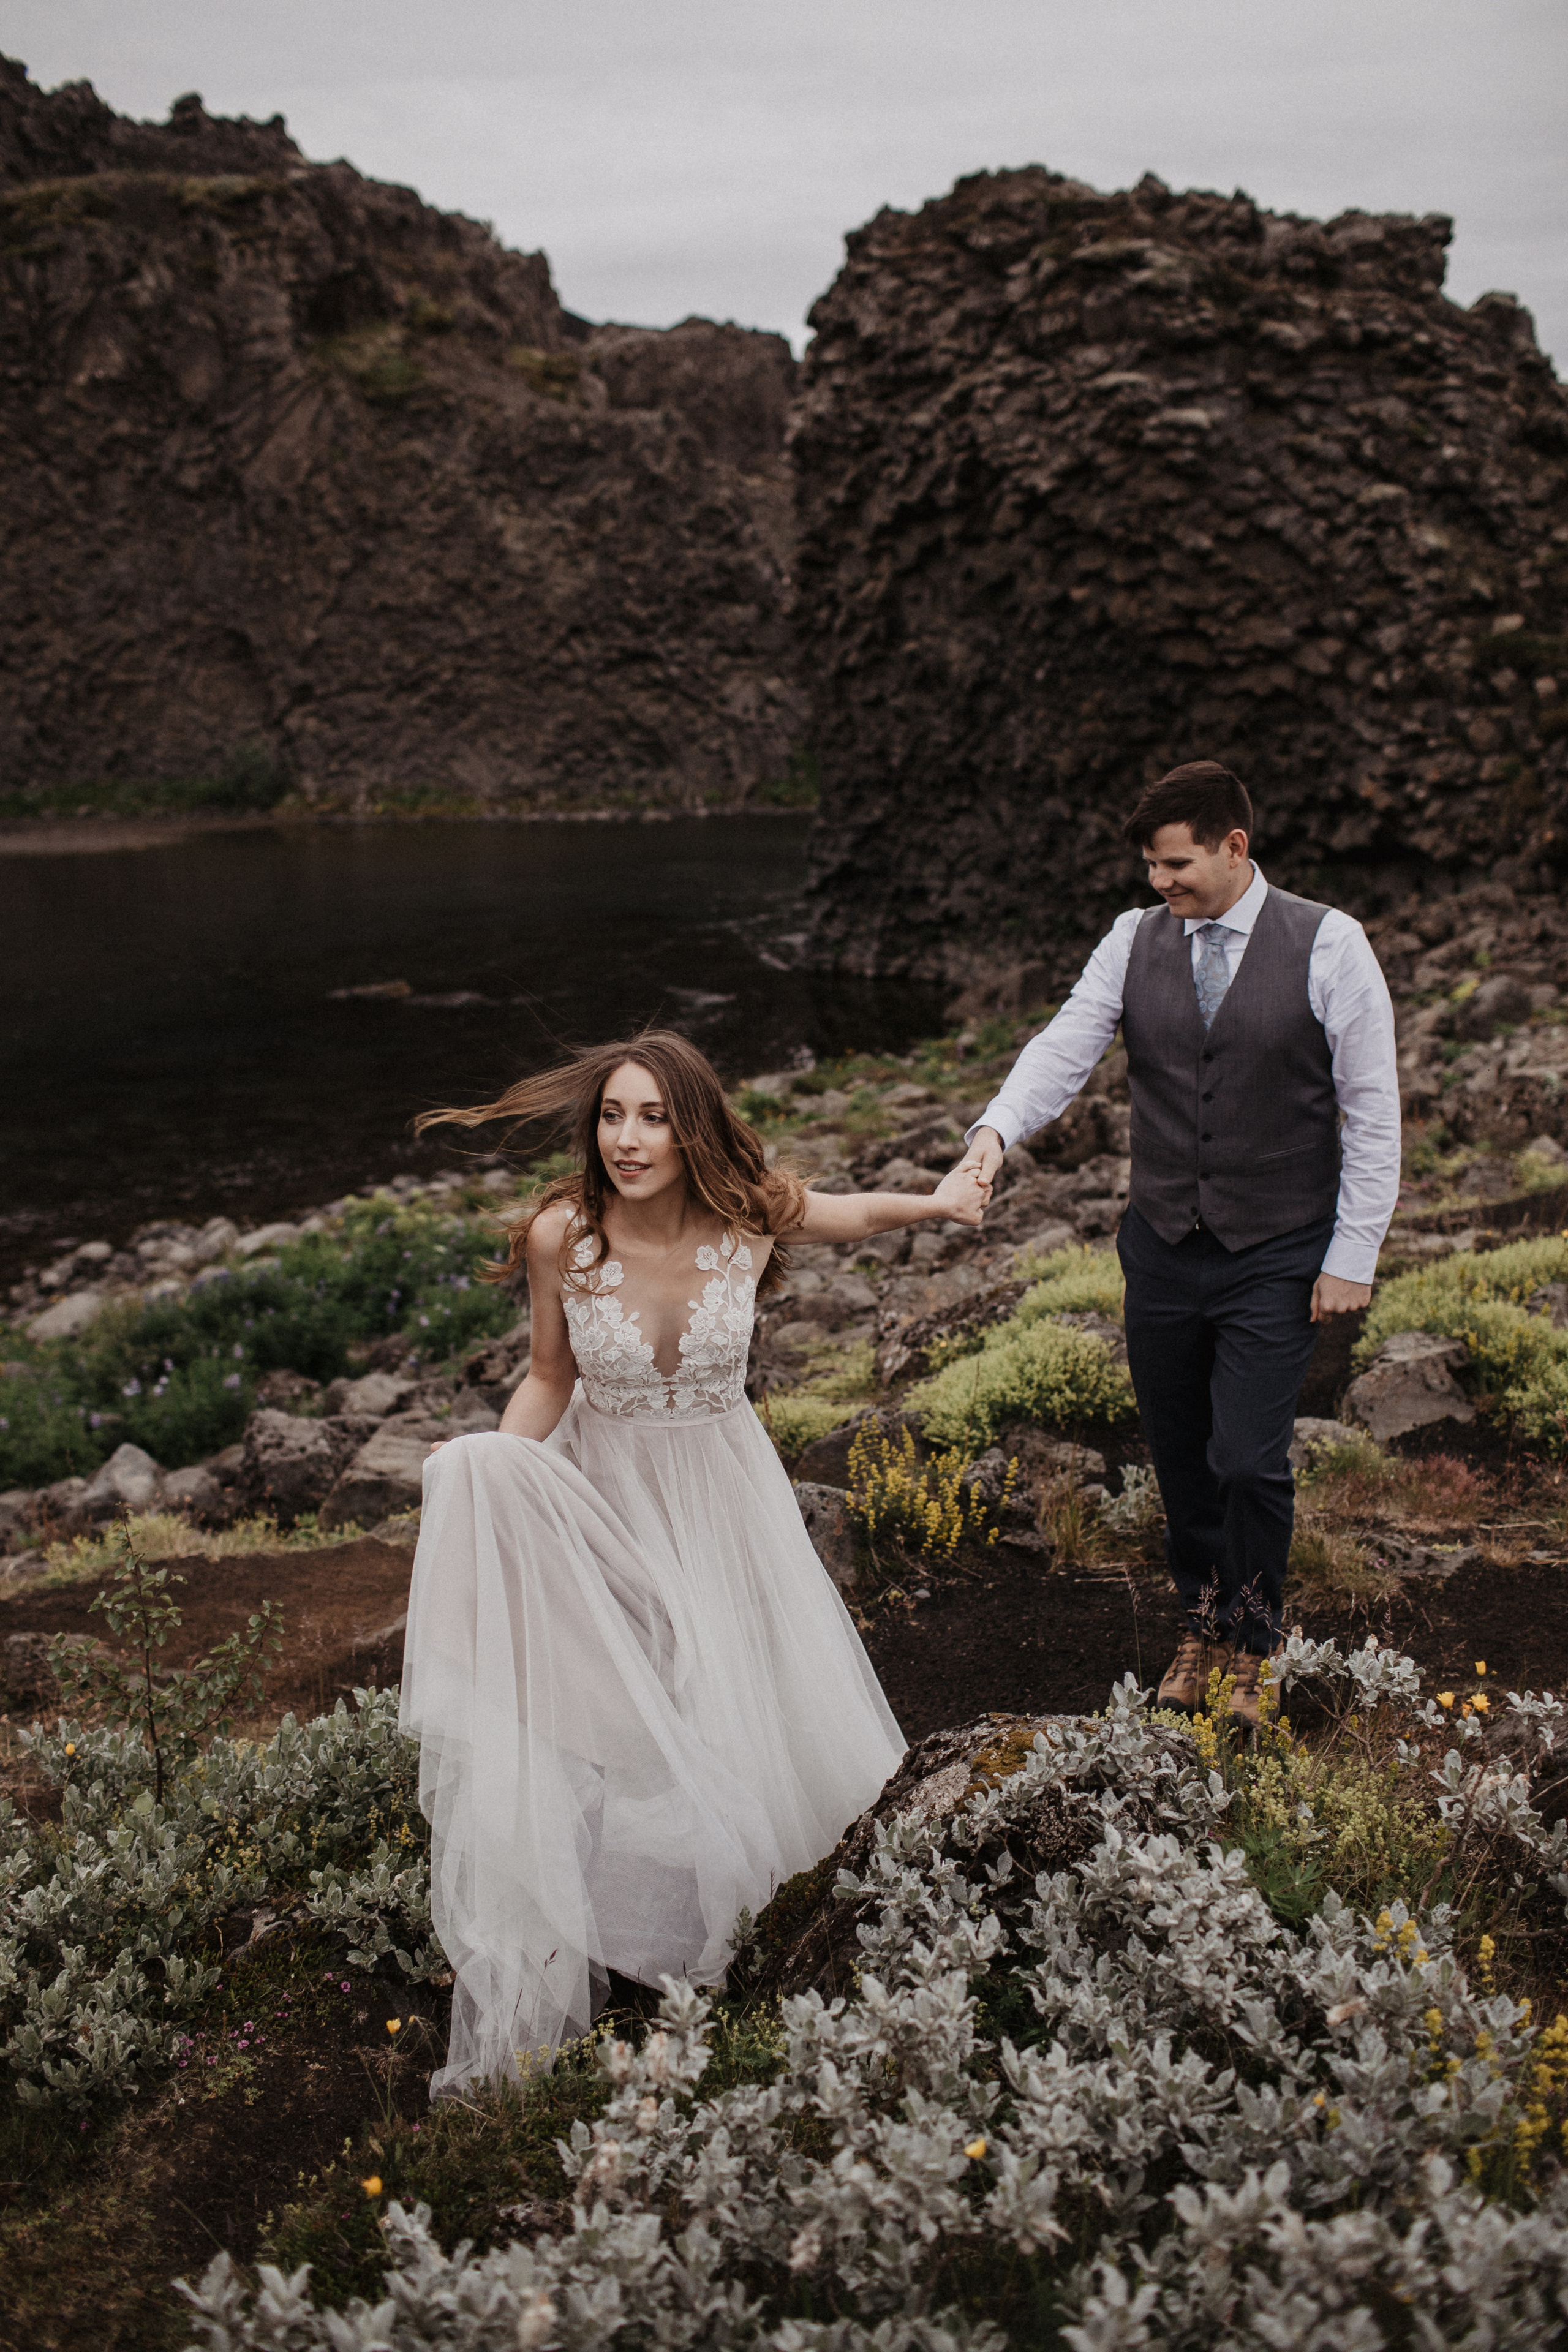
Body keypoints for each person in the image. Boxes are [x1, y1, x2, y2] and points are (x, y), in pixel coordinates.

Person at [399, 1028, 990, 2094]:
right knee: (627, 1698)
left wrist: (942, 1204)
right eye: (613, 1116)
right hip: (610, 1491)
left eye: (654, 1117)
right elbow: (547, 1376)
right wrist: (492, 1467)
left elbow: (852, 1215)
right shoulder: (561, 1237)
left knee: (738, 1700)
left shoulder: (748, 1215)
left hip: (725, 1503)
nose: (627, 1139)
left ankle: (748, 1924)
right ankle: (634, 1920)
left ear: (694, 1127)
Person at [956, 762, 1400, 1725]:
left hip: (1277, 1249)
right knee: (1183, 1457)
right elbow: (1063, 1048)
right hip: (1159, 1245)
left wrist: (1352, 1253)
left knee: (1249, 1459)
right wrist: (993, 1134)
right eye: (1151, 866)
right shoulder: (1132, 941)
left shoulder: (1331, 945)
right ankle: (1201, 1621)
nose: (1160, 883)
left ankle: (1255, 1643)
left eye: (1175, 864)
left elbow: (1373, 1112)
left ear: (1234, 847)